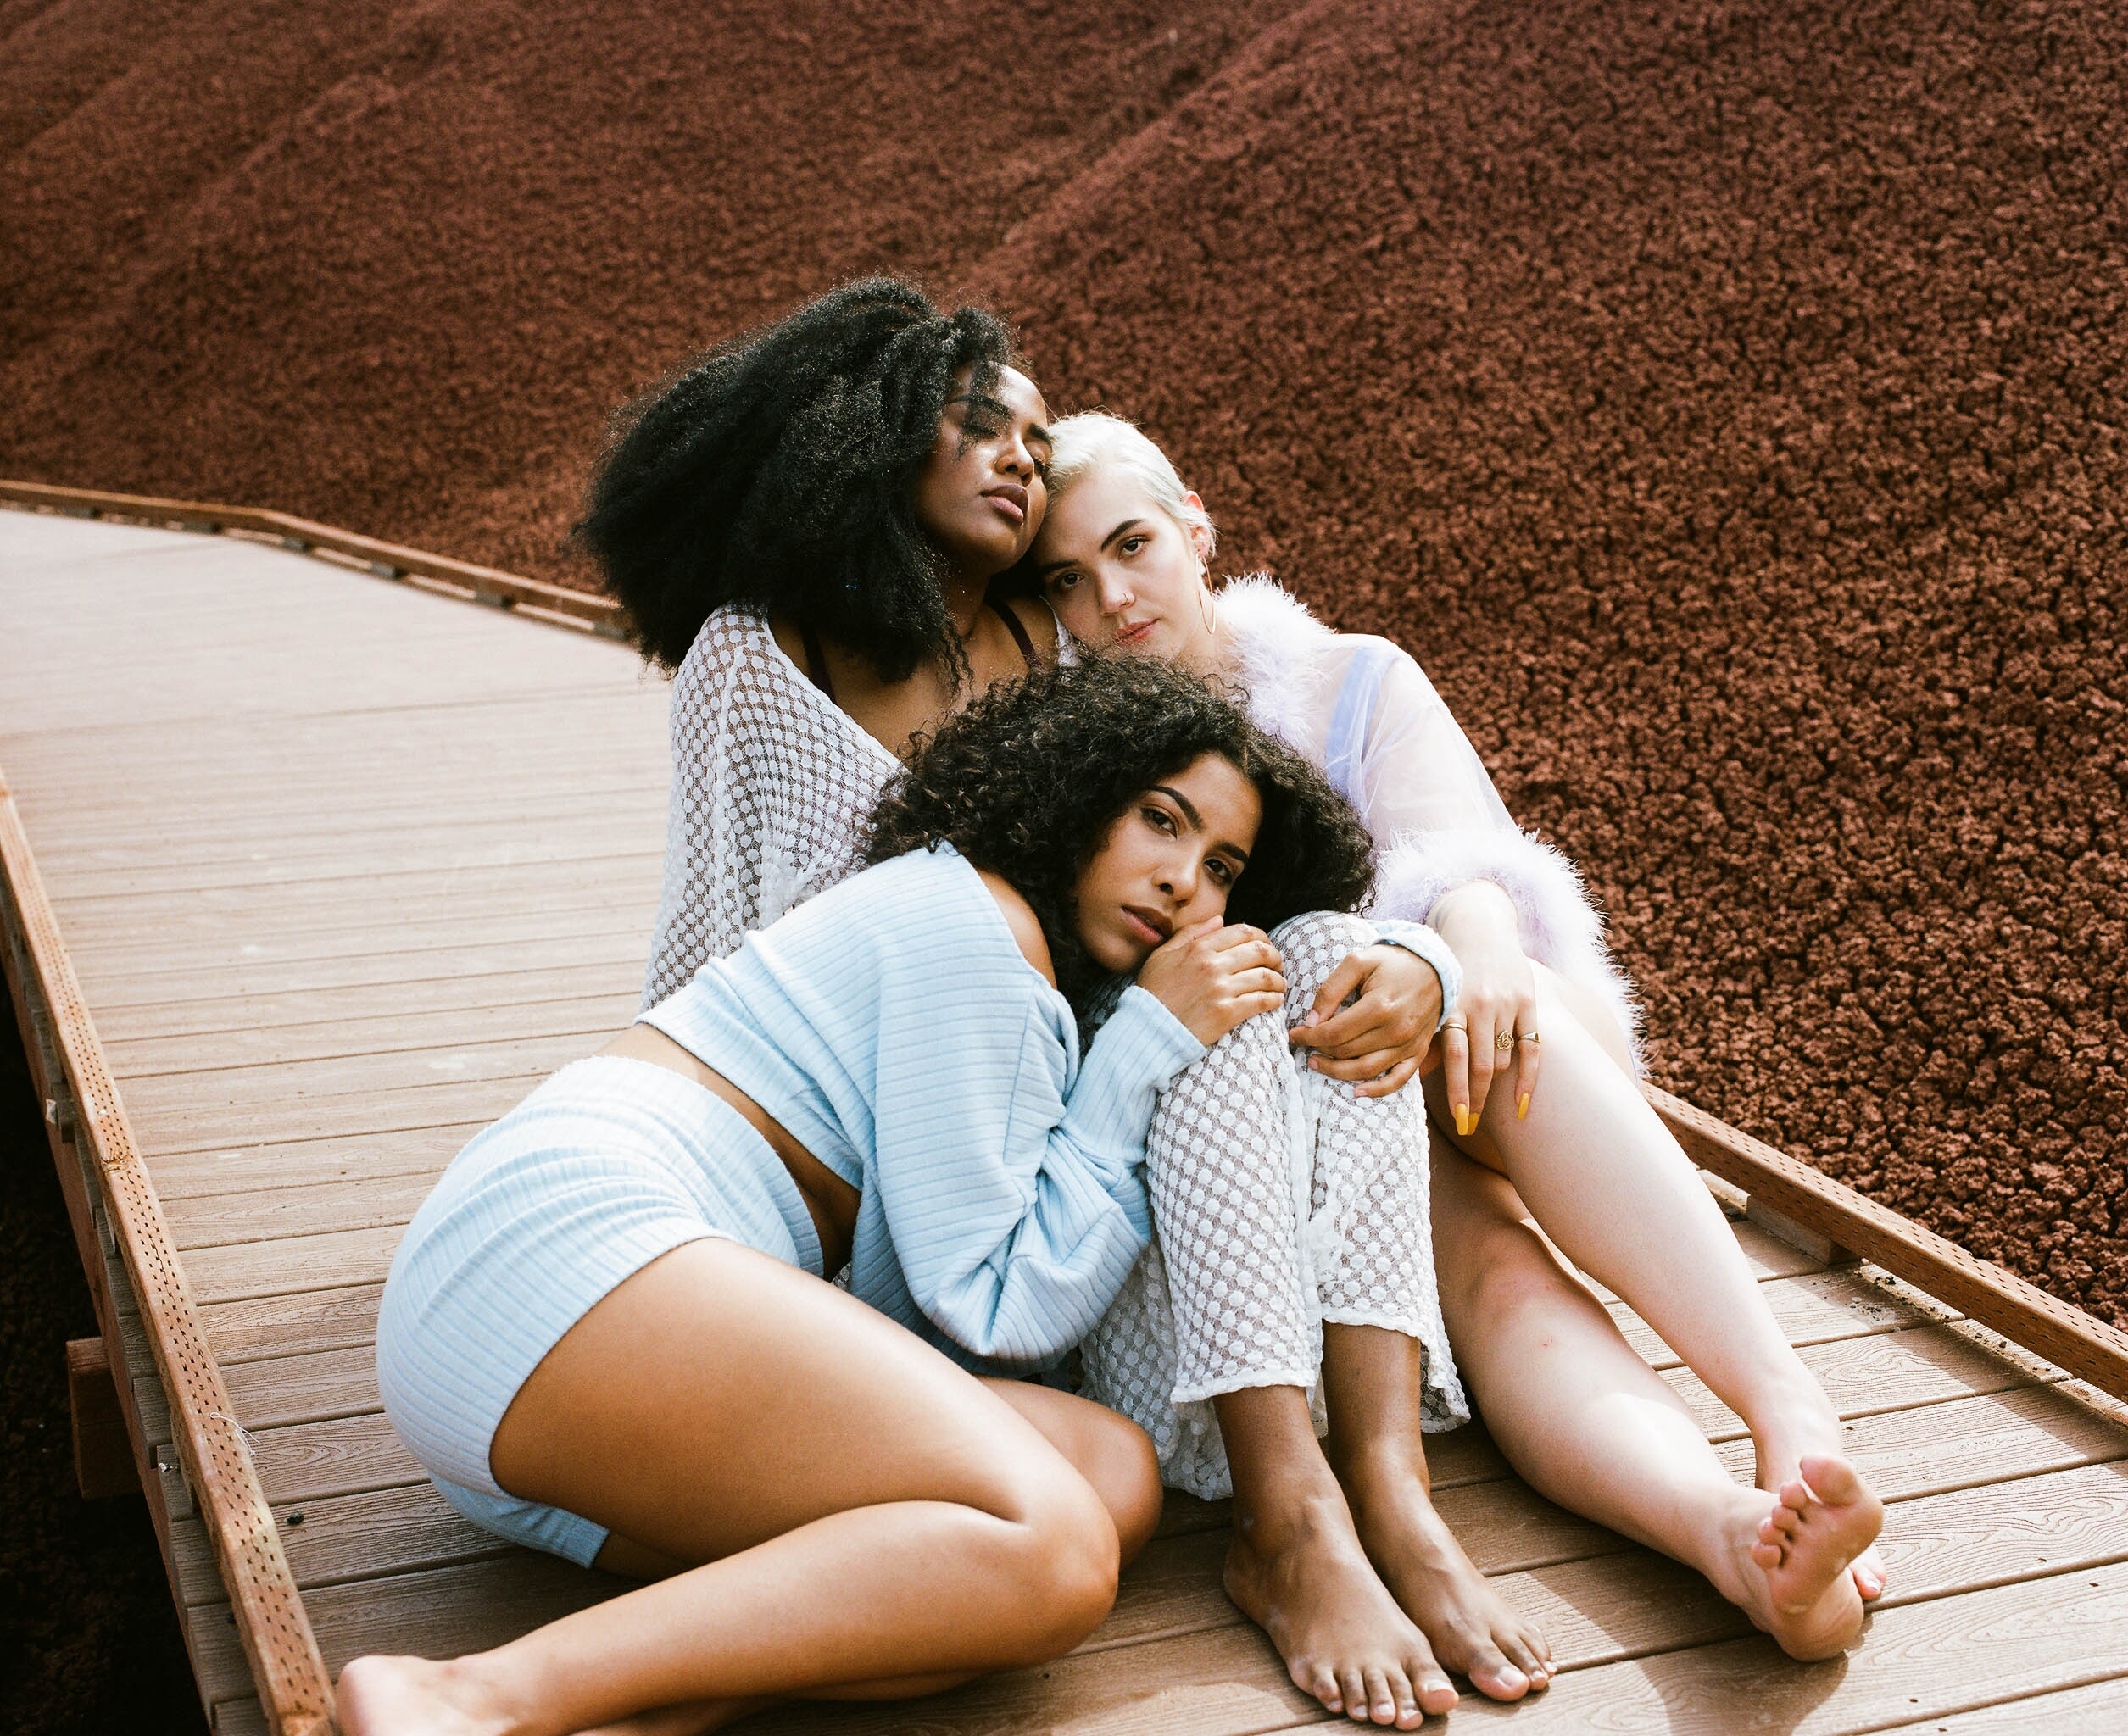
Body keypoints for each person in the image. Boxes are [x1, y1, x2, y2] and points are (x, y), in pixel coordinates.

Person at [340, 657, 1381, 1736]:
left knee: (1105, 1475)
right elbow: (987, 1308)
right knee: (1055, 1551)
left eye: (1220, 868)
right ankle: (466, 1695)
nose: (1182, 883)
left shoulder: (970, 917)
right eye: (1158, 820)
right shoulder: (981, 929)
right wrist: (1142, 1048)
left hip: (540, 1357)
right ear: (1078, 788)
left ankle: (627, 1714)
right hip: (559, 1253)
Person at [1022, 412, 1886, 1678]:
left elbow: (1463, 863)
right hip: (1287, 1133)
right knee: (1488, 1269)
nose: (1110, 596)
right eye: (1064, 578)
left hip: (1445, 1074)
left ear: (1194, 529)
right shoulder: (1076, 754)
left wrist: (1457, 953)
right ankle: (1728, 1536)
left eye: (1131, 544)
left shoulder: (1346, 679)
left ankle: (1784, 1413)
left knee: (1508, 1012)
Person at [575, 275, 1063, 1006]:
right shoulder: (757, 658)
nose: (1021, 460)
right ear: (886, 432)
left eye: (1042, 459)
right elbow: (705, 924)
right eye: (983, 426)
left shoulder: (1059, 649)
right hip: (818, 1054)